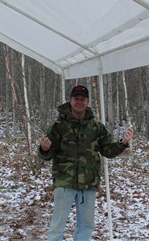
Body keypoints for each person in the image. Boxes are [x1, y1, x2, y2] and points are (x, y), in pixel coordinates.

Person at [38, 84, 134, 241]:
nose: (79, 102)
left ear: (87, 101)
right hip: (64, 181)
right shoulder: (58, 126)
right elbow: (47, 154)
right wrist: (44, 148)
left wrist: (123, 142)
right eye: (76, 99)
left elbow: (107, 151)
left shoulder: (96, 127)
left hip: (88, 183)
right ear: (70, 100)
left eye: (83, 99)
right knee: (57, 227)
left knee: (86, 226)